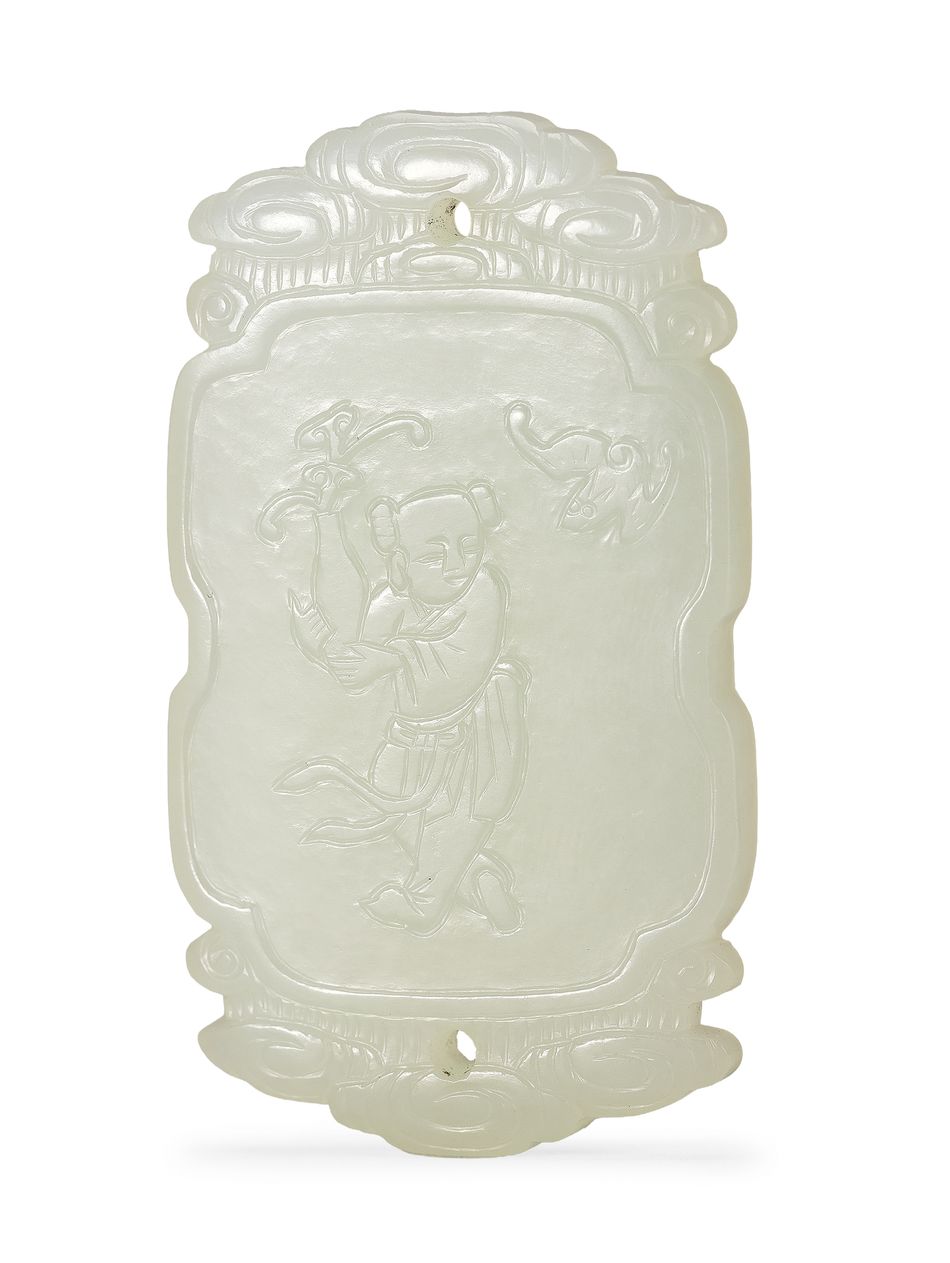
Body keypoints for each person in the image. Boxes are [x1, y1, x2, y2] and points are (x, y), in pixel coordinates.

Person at [277, 481, 529, 935]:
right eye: (434, 556)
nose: (457, 564)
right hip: (411, 736)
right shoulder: (393, 602)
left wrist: (392, 657)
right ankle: (474, 878)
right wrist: (326, 644)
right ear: (400, 566)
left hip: (476, 737)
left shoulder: (484, 589)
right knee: (389, 789)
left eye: (469, 546)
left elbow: (465, 659)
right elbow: (356, 656)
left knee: (458, 816)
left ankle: (424, 904)